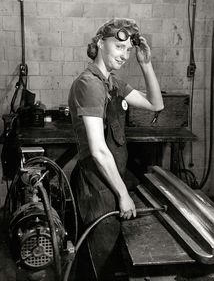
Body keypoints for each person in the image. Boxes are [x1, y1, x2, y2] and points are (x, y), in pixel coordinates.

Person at [68, 18, 164, 281]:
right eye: (119, 47)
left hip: (110, 181)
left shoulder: (112, 83)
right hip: (96, 186)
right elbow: (99, 150)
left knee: (109, 261)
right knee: (97, 262)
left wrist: (146, 64)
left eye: (128, 51)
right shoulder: (90, 84)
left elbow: (156, 104)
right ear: (101, 43)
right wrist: (123, 194)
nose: (124, 55)